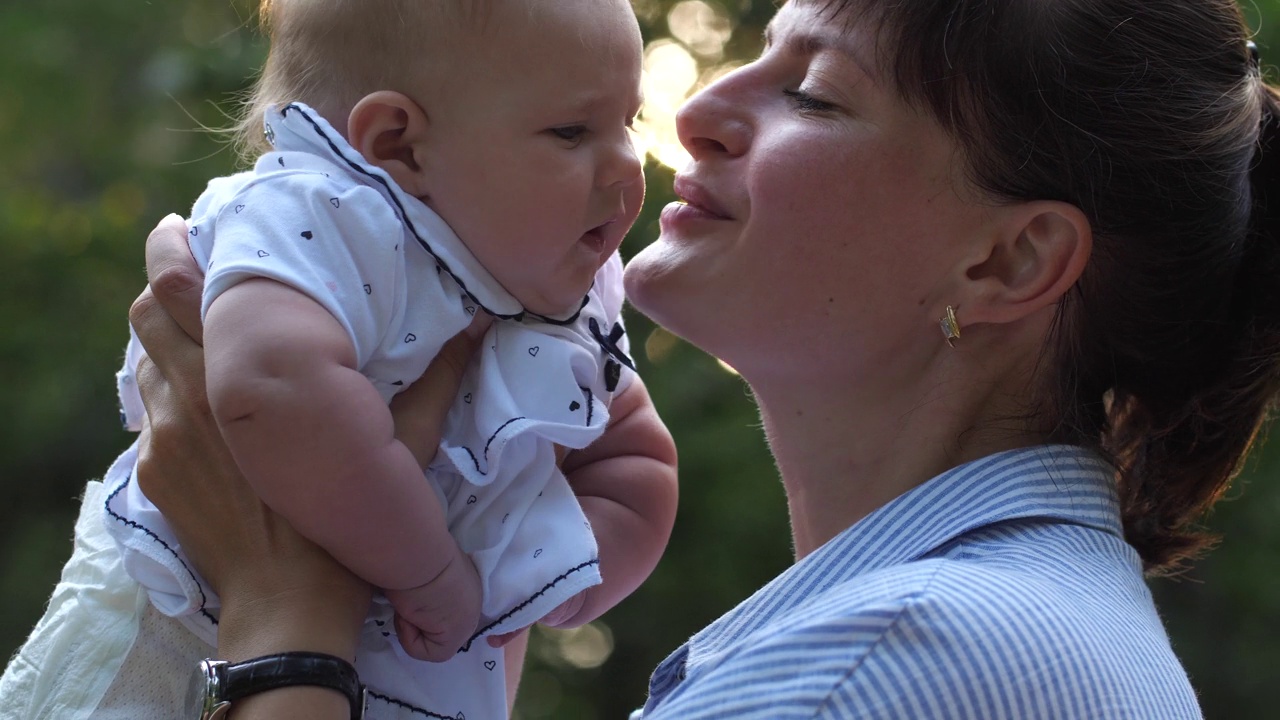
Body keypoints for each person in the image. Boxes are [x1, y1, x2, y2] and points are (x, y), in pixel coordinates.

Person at [18, 0, 1280, 716]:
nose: (694, 115)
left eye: (817, 96)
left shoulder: (881, 663)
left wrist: (287, 611)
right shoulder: (994, 625)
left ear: (1004, 266)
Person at [0, 0, 677, 718]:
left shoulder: (562, 283)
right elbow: (270, 392)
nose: (629, 166)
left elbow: (633, 459)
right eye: (573, 130)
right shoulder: (322, 216)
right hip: (172, 645)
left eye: (628, 123)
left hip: (398, 678)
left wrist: (547, 580)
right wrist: (430, 572)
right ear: (399, 145)